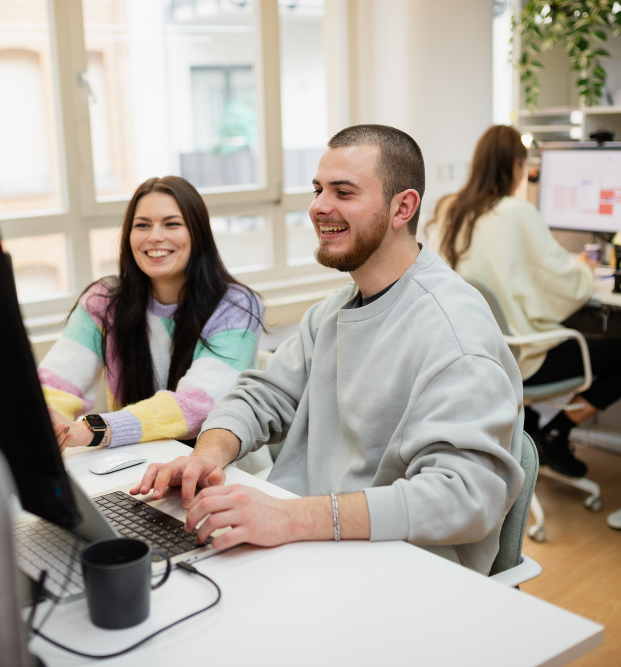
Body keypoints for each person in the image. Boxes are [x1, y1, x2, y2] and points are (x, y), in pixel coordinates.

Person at [131, 125, 525, 575]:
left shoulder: (454, 332)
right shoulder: (332, 311)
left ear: (403, 207)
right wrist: (207, 454)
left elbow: (463, 498)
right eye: (318, 189)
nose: (319, 206)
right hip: (312, 541)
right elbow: (262, 395)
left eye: (344, 192)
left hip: (400, 567)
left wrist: (290, 517)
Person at [422, 125, 621, 478]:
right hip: (517, 360)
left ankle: (546, 434)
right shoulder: (516, 211)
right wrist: (585, 270)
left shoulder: (450, 209)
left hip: (463, 355)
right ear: (516, 166)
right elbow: (565, 284)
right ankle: (554, 432)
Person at [39, 176, 264, 451]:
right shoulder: (103, 301)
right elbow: (56, 383)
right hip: (133, 464)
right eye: (142, 225)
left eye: (172, 224)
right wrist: (50, 422)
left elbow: (197, 405)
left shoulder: (236, 307)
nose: (155, 236)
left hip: (226, 471)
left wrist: (92, 430)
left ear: (198, 233)